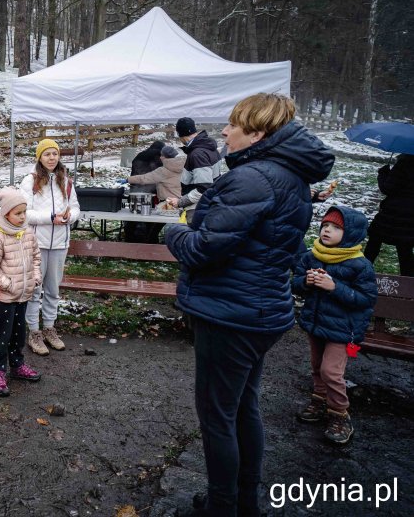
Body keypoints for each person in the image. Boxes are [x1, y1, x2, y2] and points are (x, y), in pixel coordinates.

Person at [165, 93, 334, 517]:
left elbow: (204, 249)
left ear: (258, 132)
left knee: (218, 416)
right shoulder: (287, 176)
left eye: (233, 125)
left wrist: (174, 232)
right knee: (243, 407)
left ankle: (222, 506)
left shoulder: (254, 179)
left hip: (232, 314)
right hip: (260, 310)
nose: (224, 131)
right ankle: (243, 501)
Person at [292, 206, 377, 445]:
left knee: (331, 371)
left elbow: (366, 300)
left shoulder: (360, 265)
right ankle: (319, 401)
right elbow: (295, 284)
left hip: (344, 329)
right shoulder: (312, 255)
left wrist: (334, 287)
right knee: (317, 366)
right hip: (317, 322)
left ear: (350, 233)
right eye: (325, 225)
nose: (327, 230)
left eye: (336, 227)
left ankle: (340, 414)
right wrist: (306, 282)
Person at [19, 139, 80, 356]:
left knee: (53, 289)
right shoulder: (30, 181)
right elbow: (23, 212)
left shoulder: (66, 181)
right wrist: (50, 218)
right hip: (37, 244)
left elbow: (75, 207)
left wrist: (69, 216)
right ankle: (34, 331)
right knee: (35, 290)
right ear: (39, 157)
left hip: (60, 243)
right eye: (47, 154)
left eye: (55, 154)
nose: (52, 158)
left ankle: (49, 328)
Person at [0, 187, 42, 396]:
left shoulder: (28, 233)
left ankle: (17, 364)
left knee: (19, 333)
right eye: (18, 213)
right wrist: (8, 284)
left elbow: (36, 257)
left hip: (23, 295)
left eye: (24, 212)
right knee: (2, 335)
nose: (22, 217)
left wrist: (35, 277)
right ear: (6, 214)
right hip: (5, 297)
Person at [364, 154, 414, 276]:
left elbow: (387, 188)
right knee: (405, 249)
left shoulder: (404, 163)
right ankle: (408, 284)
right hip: (411, 216)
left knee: (374, 243)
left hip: (392, 214)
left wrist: (383, 173)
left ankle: (362, 272)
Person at [165, 117, 223, 222]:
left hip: (198, 209)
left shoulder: (198, 154)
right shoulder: (209, 148)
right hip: (209, 205)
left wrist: (180, 202)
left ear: (180, 135)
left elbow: (203, 188)